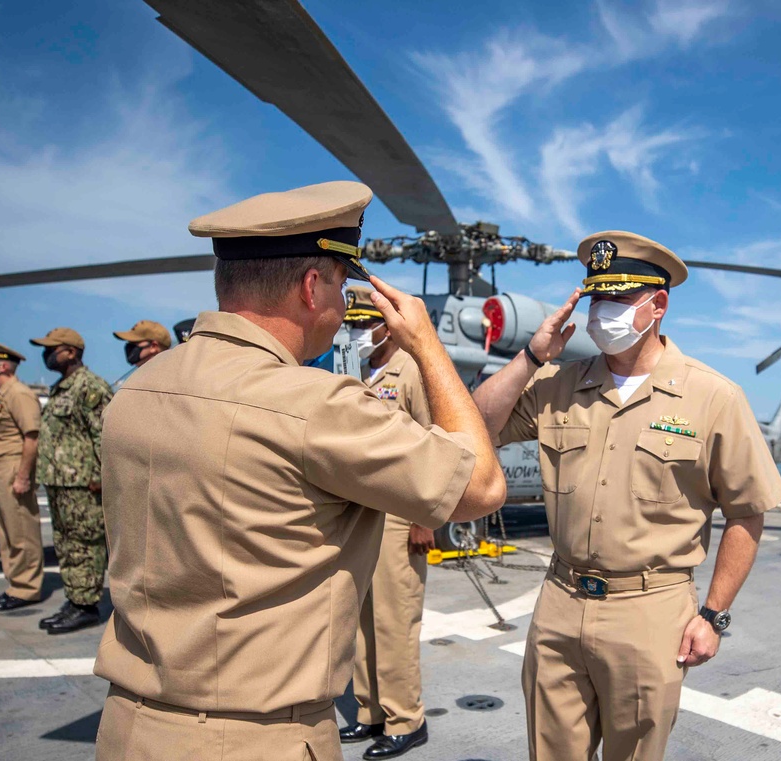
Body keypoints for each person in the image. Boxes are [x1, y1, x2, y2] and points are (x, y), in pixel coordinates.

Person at [91, 181, 505, 761]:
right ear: (313, 287)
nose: (344, 313)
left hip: (129, 728)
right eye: (341, 286)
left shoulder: (135, 391)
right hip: (251, 740)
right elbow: (482, 486)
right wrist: (427, 345)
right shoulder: (317, 405)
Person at [472, 231, 781, 761]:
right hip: (559, 600)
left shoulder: (713, 397)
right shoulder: (560, 384)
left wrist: (712, 616)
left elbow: (746, 514)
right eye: (597, 299)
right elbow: (477, 424)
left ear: (657, 305)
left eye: (616, 299)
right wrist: (530, 356)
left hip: (651, 609)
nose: (601, 313)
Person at [339, 286, 437, 759]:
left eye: (363, 324)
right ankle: (369, 711)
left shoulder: (411, 372)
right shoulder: (355, 373)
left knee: (395, 622)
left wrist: (425, 517)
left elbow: (433, 443)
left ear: (387, 324)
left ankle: (406, 719)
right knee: (361, 619)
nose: (356, 333)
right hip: (360, 517)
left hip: (400, 517)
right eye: (351, 324)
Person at [30, 327, 113, 634]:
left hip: (83, 484)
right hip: (61, 481)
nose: (47, 355)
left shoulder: (90, 386)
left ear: (71, 352)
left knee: (85, 544)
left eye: (53, 349)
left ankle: (86, 605)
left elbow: (104, 434)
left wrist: (100, 475)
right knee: (65, 544)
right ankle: (75, 599)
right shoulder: (61, 387)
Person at [0, 339, 44, 611]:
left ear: (2, 364)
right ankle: (15, 583)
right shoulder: (2, 394)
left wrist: (23, 476)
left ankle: (27, 588)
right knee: (7, 530)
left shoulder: (19, 394)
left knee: (21, 530)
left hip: (13, 466)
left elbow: (31, 437)